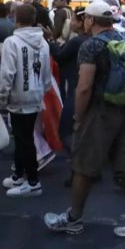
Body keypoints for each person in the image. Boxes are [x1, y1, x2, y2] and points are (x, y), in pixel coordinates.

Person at [44, 1, 125, 237]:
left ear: (91, 20)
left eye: (85, 18)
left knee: (83, 166)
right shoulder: (124, 39)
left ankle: (74, 218)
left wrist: (78, 116)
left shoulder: (91, 45)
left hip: (100, 111)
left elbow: (84, 87)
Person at [0, 4, 52, 197]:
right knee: (24, 137)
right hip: (36, 95)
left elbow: (7, 73)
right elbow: (47, 73)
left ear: (16, 19)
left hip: (17, 96)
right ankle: (19, 175)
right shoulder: (43, 42)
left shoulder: (12, 42)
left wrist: (2, 97)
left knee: (24, 139)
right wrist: (41, 90)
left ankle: (32, 181)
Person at [52, 10, 88, 155]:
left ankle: (79, 162)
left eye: (73, 19)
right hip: (86, 90)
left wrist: (51, 42)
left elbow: (60, 56)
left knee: (65, 131)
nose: (70, 22)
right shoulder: (88, 39)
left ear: (81, 22)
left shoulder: (77, 41)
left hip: (76, 90)